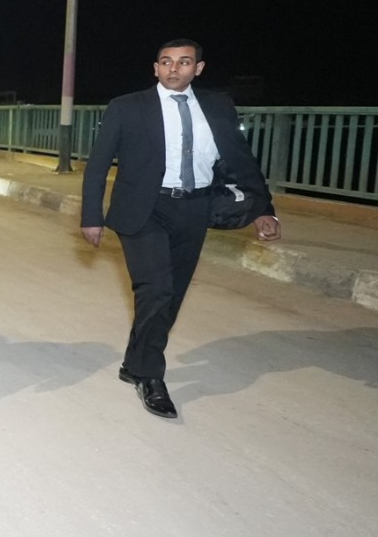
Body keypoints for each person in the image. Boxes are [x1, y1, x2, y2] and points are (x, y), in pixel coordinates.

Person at [81, 38, 280, 418]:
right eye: (166, 61)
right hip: (144, 209)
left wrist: (263, 209)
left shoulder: (218, 106)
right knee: (156, 289)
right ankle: (150, 376)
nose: (174, 68)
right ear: (155, 67)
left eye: (184, 62)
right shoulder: (127, 106)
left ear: (198, 69)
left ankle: (134, 363)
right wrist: (92, 215)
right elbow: (98, 163)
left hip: (195, 208)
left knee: (170, 297)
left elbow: (241, 160)